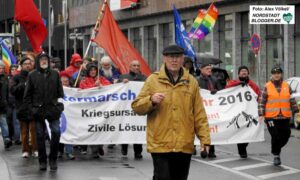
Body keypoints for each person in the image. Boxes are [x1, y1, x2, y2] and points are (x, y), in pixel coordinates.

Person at [132, 45, 211, 180]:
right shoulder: (153, 80)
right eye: (170, 57)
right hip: (160, 143)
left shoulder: (191, 82)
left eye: (177, 57)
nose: (174, 60)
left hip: (184, 143)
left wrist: (205, 140)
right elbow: (137, 107)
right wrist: (151, 100)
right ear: (164, 59)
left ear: (182, 60)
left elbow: (199, 113)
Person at [24, 52, 64, 171]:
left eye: (46, 59)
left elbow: (60, 93)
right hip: (38, 110)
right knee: (40, 136)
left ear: (49, 61)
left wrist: (59, 106)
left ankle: (53, 159)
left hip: (52, 109)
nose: (44, 61)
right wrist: (32, 109)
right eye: (41, 59)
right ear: (38, 62)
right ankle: (42, 161)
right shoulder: (32, 75)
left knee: (56, 132)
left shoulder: (55, 74)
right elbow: (27, 96)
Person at [258, 66, 299, 166]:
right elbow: (261, 101)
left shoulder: (287, 86)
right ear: (272, 75)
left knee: (286, 134)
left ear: (281, 74)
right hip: (271, 117)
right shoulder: (267, 86)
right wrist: (261, 114)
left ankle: (276, 148)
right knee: (275, 135)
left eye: (278, 73)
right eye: (274, 73)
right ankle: (276, 155)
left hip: (284, 116)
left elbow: (292, 100)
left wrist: (296, 111)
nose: (276, 75)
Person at [225, 66, 260, 158]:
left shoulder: (253, 85)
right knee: (240, 131)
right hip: (238, 112)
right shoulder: (233, 83)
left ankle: (243, 146)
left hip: (250, 112)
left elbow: (258, 96)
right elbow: (227, 89)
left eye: (245, 71)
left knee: (249, 131)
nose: (244, 72)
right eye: (242, 71)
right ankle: (242, 150)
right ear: (238, 74)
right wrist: (239, 84)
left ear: (248, 73)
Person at [79, 62, 111, 157]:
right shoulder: (84, 80)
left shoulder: (101, 79)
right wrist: (94, 87)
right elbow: (84, 92)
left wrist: (101, 85)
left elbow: (111, 87)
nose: (93, 72)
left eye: (94, 70)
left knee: (100, 128)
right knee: (92, 128)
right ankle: (95, 150)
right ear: (88, 71)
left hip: (101, 108)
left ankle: (99, 145)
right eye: (91, 70)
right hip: (89, 109)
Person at [118, 60, 147, 159]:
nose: (136, 67)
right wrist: (122, 83)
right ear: (130, 67)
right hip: (126, 107)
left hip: (138, 107)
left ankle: (138, 151)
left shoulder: (144, 78)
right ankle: (124, 147)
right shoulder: (123, 77)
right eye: (134, 65)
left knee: (137, 128)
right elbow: (116, 89)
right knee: (126, 128)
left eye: (138, 65)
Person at [10, 57, 38, 158]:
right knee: (24, 131)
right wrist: (24, 85)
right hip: (21, 108)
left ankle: (35, 149)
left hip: (33, 107)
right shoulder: (16, 77)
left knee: (34, 130)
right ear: (21, 65)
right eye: (25, 63)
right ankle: (25, 150)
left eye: (29, 63)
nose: (28, 65)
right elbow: (13, 90)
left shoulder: (35, 75)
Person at [197, 63, 222, 158]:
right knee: (201, 127)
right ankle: (201, 148)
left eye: (210, 69)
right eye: (207, 68)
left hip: (212, 109)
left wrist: (216, 91)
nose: (209, 70)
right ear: (201, 69)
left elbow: (221, 92)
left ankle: (211, 150)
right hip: (201, 107)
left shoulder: (214, 80)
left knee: (211, 128)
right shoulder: (196, 80)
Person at [58, 71, 75, 160]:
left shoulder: (73, 90)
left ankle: (69, 151)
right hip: (60, 114)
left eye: (66, 78)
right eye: (63, 78)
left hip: (71, 115)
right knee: (59, 132)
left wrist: (78, 92)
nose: (65, 79)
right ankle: (59, 151)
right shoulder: (56, 89)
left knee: (69, 133)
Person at [7, 64, 21, 145]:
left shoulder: (18, 79)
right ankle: (10, 136)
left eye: (15, 69)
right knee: (8, 120)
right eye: (12, 69)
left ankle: (17, 138)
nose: (13, 71)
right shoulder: (7, 78)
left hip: (16, 102)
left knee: (16, 121)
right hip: (8, 103)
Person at [0, 61, 12, 149]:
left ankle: (6, 138)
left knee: (4, 122)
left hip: (2, 104)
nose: (2, 70)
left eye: (3, 68)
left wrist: (7, 101)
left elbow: (7, 91)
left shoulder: (5, 78)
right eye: (0, 68)